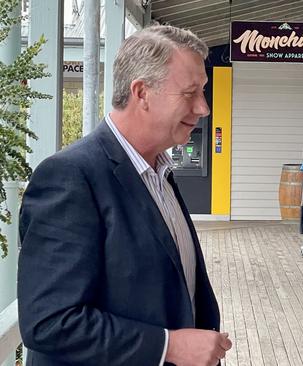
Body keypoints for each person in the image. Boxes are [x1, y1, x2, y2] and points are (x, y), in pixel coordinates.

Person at [17, 25, 232, 366]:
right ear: (142, 93)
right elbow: (49, 322)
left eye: (203, 92)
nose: (203, 107)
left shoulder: (159, 171)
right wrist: (169, 347)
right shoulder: (70, 177)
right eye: (190, 93)